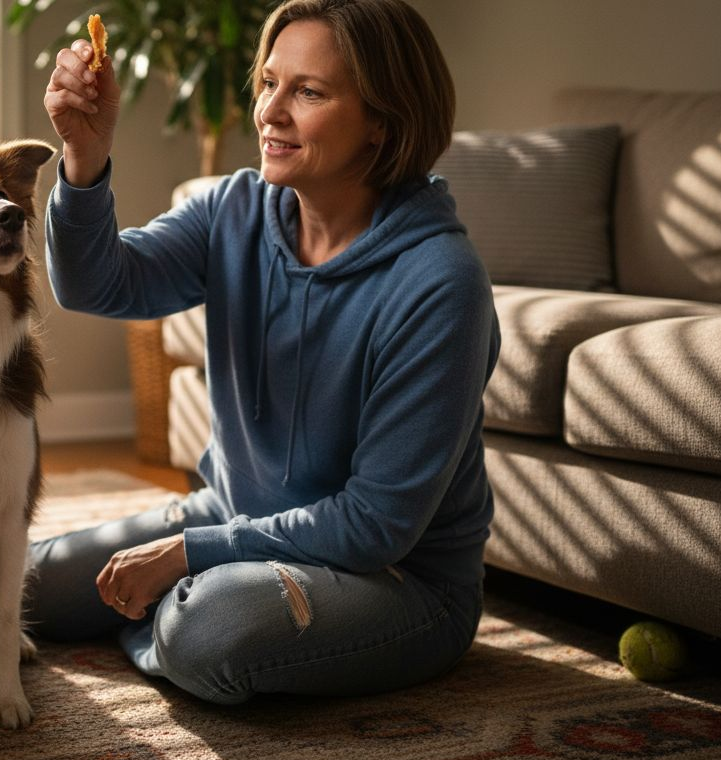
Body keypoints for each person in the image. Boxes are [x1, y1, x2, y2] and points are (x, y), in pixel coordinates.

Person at [26, 0, 501, 705]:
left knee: (211, 627)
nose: (270, 112)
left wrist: (189, 555)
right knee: (19, 583)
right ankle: (169, 614)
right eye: (269, 83)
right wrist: (85, 159)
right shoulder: (234, 209)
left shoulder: (440, 282)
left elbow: (374, 527)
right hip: (233, 516)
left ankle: (172, 617)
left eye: (308, 92)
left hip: (399, 582)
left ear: (383, 119)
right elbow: (97, 285)